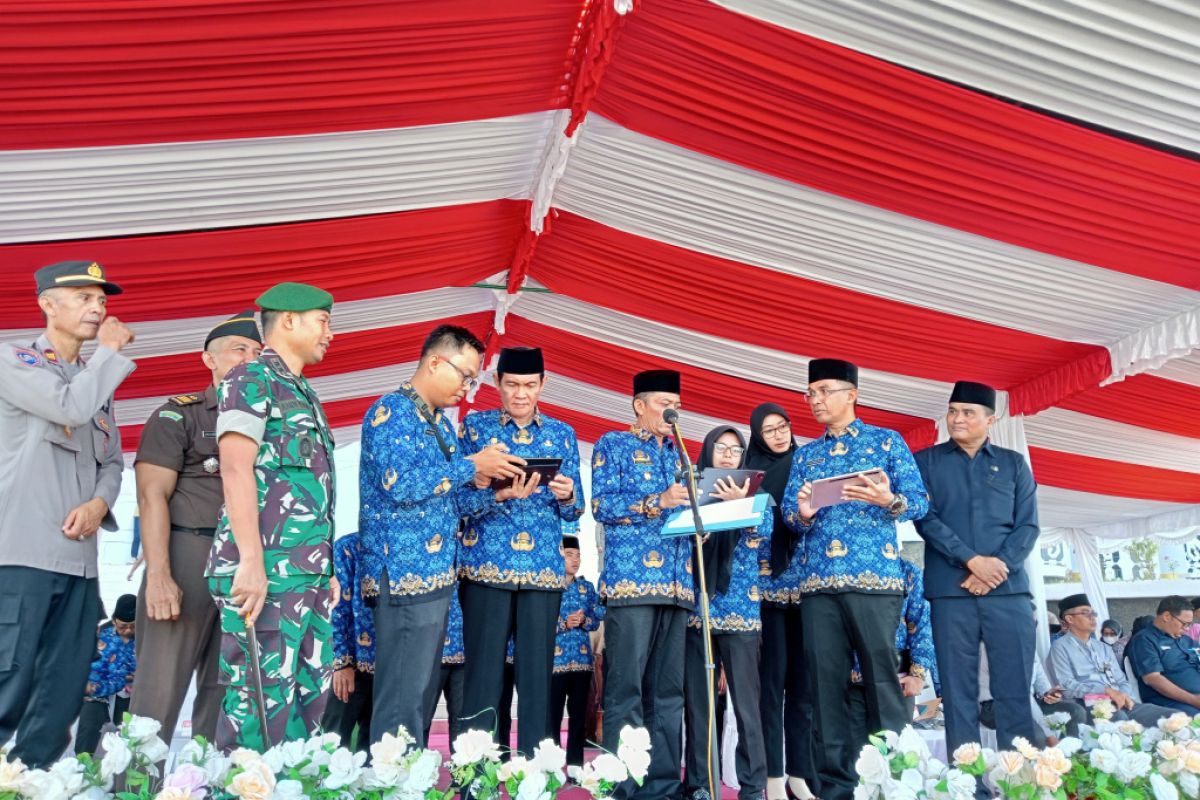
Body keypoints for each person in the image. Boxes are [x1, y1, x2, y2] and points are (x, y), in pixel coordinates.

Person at [358, 325, 525, 747]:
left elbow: (451, 503)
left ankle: (404, 786)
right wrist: (471, 465)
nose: (468, 390)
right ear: (435, 362)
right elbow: (402, 486)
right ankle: (390, 790)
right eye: (465, 376)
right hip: (403, 575)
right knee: (400, 700)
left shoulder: (441, 426)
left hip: (435, 578)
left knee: (416, 699)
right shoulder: (391, 412)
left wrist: (498, 492)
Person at [0, 260, 135, 767]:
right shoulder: (13, 361)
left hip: (80, 562)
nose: (97, 308)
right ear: (46, 304)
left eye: (101, 299)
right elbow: (68, 408)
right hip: (22, 553)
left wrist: (101, 502)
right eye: (82, 296)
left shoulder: (94, 379)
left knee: (64, 683)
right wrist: (111, 352)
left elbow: (114, 459)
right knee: (8, 673)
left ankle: (29, 777)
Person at [781, 359, 928, 800]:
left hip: (877, 584)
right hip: (818, 588)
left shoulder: (886, 441)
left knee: (884, 685)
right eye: (810, 393)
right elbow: (791, 515)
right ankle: (837, 790)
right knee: (826, 690)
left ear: (852, 394)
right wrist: (802, 513)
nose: (816, 400)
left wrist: (890, 499)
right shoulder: (805, 455)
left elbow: (919, 502)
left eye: (825, 391)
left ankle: (898, 785)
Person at [206, 282, 339, 750]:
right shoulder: (251, 379)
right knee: (258, 706)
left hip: (304, 576)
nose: (330, 332)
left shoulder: (303, 392)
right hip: (265, 573)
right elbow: (236, 466)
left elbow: (312, 491)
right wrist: (250, 562)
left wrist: (325, 569)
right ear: (288, 320)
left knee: (306, 706)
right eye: (323, 320)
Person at [130, 311, 263, 745]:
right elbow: (151, 498)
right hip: (188, 556)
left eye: (257, 353)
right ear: (209, 359)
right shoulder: (178, 416)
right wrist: (159, 576)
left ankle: (207, 789)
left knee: (226, 697)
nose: (248, 359)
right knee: (158, 692)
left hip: (245, 568)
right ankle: (135, 790)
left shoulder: (273, 423)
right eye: (238, 350)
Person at [459, 346, 585, 754]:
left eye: (530, 385)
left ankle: (535, 776)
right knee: (482, 679)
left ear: (543, 384)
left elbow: (578, 506)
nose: (520, 394)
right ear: (496, 383)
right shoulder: (474, 429)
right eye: (511, 384)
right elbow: (457, 503)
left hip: (543, 574)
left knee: (536, 680)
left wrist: (566, 494)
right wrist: (497, 496)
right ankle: (476, 775)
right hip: (485, 569)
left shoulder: (563, 433)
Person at [912, 380, 1041, 759]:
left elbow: (1028, 525)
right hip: (952, 592)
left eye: (968, 412)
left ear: (990, 419)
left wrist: (996, 568)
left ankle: (1023, 784)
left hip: (1009, 591)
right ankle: (968, 787)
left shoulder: (1014, 463)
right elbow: (926, 521)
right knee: (958, 693)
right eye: (953, 411)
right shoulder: (926, 462)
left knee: (1014, 690)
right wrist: (971, 561)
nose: (958, 419)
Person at [593, 369, 694, 800]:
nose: (671, 411)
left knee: (669, 693)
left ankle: (664, 786)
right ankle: (624, 786)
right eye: (662, 402)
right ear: (639, 405)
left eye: (676, 403)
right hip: (632, 583)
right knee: (626, 689)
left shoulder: (681, 455)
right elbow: (601, 505)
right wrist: (659, 502)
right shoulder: (612, 445)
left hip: (677, 585)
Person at [683, 426, 771, 800]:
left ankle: (753, 787)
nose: (728, 455)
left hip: (740, 610)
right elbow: (673, 534)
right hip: (698, 609)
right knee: (699, 705)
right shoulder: (689, 488)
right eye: (721, 447)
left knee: (748, 707)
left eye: (735, 451)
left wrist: (740, 507)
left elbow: (766, 535)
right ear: (708, 450)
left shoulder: (757, 494)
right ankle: (701, 784)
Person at [746, 404, 816, 800]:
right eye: (769, 429)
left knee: (804, 688)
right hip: (767, 591)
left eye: (784, 426)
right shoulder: (749, 474)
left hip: (807, 589)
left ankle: (799, 775)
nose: (779, 434)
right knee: (771, 687)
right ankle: (773, 774)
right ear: (757, 434)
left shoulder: (807, 464)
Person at [847, 558, 938, 754]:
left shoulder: (906, 571)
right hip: (848, 681)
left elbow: (921, 623)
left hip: (896, 680)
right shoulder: (840, 572)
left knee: (893, 754)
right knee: (855, 760)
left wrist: (918, 674)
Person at [1049, 594, 1174, 725]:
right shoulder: (1060, 647)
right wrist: (1106, 691)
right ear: (1069, 618)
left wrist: (1123, 696)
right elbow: (1066, 687)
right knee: (1120, 719)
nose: (1092, 618)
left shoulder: (1103, 648)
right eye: (1086, 613)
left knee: (1172, 716)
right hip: (1090, 705)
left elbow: (1121, 680)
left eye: (1093, 613)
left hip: (1122, 702)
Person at [550, 535, 604, 769]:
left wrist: (584, 620)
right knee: (551, 717)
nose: (575, 561)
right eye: (570, 555)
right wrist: (563, 623)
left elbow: (596, 619)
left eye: (578, 556)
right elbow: (538, 623)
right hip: (555, 663)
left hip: (582, 663)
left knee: (579, 717)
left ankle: (575, 765)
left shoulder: (587, 587)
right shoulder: (549, 585)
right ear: (559, 555)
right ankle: (550, 766)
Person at [325, 533, 374, 751]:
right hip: (352, 669)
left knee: (376, 754)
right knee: (333, 745)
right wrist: (342, 663)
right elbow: (337, 610)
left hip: (390, 674)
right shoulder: (349, 548)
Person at [76, 595, 138, 755]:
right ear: (114, 620)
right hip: (100, 691)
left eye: (133, 626)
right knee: (88, 724)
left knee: (132, 734)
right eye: (123, 626)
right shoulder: (102, 635)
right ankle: (82, 770)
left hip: (132, 695)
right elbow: (94, 670)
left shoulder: (147, 638)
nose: (128, 630)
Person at [1129, 596, 1200, 713]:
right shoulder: (1145, 640)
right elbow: (1153, 678)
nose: (1187, 629)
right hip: (1173, 703)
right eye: (1184, 624)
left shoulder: (1187, 640)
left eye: (1189, 625)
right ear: (1167, 616)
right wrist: (1193, 700)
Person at [424, 589, 466, 745]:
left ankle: (462, 769)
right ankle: (416, 766)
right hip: (430, 654)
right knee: (421, 720)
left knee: (462, 725)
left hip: (464, 653)